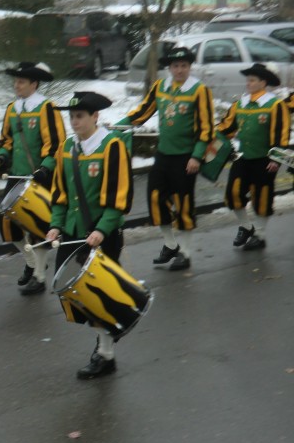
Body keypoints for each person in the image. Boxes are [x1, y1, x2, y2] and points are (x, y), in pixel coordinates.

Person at [46, 92, 133, 379]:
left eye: (80, 116)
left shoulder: (112, 147)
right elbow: (59, 193)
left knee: (99, 297)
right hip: (72, 234)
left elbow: (119, 198)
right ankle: (106, 335)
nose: (74, 122)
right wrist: (56, 224)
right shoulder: (66, 148)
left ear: (96, 117)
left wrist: (101, 229)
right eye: (71, 117)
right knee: (73, 294)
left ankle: (106, 353)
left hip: (101, 235)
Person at [117, 47, 214, 271]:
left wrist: (197, 156)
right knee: (155, 198)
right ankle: (171, 244)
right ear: (169, 68)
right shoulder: (160, 87)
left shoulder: (199, 91)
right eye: (175, 66)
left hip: (186, 157)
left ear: (189, 67)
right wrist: (119, 125)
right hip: (163, 154)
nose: (179, 70)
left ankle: (186, 253)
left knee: (184, 204)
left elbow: (206, 128)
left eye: (184, 66)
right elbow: (143, 111)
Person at [0, 62, 65, 294]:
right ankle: (33, 262)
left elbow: (55, 143)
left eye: (21, 82)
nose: (17, 85)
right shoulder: (12, 109)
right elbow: (6, 140)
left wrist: (45, 167)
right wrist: (2, 157)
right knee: (7, 222)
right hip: (16, 176)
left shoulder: (47, 108)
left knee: (38, 228)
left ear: (34, 84)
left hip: (39, 177)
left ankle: (40, 277)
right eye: (15, 82)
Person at [215, 63, 290, 250]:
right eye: (247, 80)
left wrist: (276, 159)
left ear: (263, 82)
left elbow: (282, 134)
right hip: (243, 157)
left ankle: (260, 235)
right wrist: (207, 137)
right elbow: (226, 128)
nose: (248, 83)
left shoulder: (275, 105)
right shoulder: (240, 104)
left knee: (262, 198)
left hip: (265, 159)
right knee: (233, 193)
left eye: (252, 80)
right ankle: (246, 226)